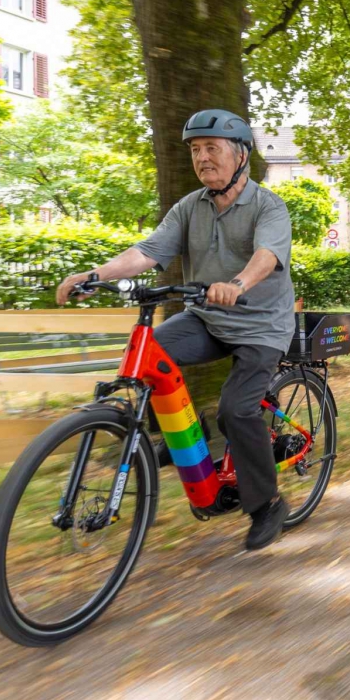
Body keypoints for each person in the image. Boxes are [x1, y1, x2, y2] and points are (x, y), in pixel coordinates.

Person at [55, 109, 296, 551]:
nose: (202, 158)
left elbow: (267, 256)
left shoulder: (268, 206)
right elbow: (147, 252)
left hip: (261, 326)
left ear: (240, 155)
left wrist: (238, 284)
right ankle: (185, 435)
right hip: (208, 319)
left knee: (236, 410)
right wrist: (95, 275)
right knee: (152, 354)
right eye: (195, 150)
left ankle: (267, 506)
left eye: (212, 149)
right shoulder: (190, 206)